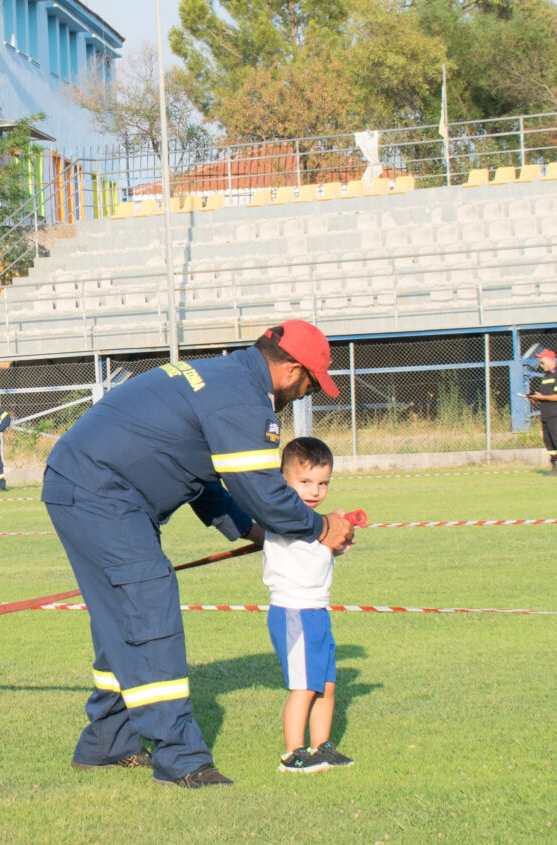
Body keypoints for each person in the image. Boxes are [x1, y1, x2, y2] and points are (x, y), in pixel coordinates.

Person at [42, 322, 359, 788]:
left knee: (123, 614)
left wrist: (246, 529)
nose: (307, 394)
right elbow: (265, 491)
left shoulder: (224, 377)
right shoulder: (243, 399)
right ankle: (181, 759)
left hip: (87, 483)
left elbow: (201, 473)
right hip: (101, 491)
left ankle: (106, 743)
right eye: (311, 384)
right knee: (148, 602)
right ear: (292, 369)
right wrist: (321, 527)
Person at [262, 437, 352, 773]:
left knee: (326, 685)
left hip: (317, 611)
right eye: (305, 482)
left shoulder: (314, 520)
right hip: (293, 612)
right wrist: (331, 538)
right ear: (284, 480)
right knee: (304, 687)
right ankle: (292, 754)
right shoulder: (285, 518)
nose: (314, 491)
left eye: (322, 483)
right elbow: (312, 551)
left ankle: (321, 746)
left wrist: (336, 541)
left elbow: (320, 553)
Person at [528, 348, 557, 476]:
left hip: (555, 413)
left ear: (550, 359)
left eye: (542, 361)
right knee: (548, 441)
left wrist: (541, 397)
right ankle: (556, 468)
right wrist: (535, 399)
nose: (540, 364)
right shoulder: (546, 376)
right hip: (546, 413)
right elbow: (546, 396)